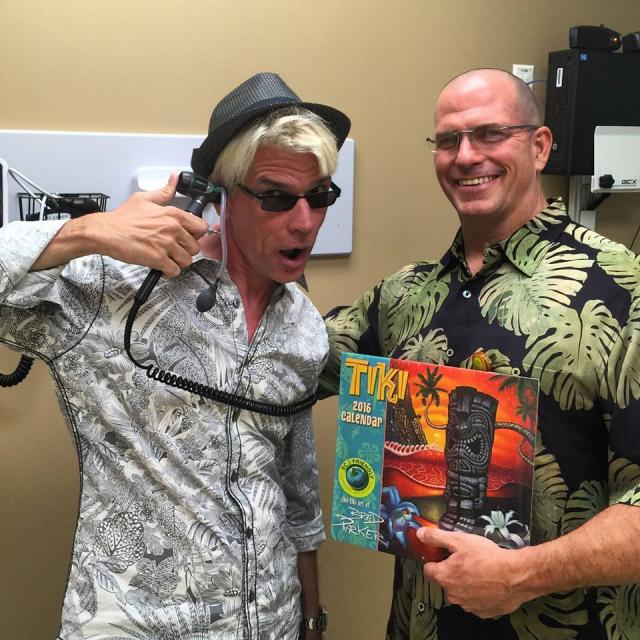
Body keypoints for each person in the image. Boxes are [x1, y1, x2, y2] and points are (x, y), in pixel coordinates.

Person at [0, 72, 349, 639]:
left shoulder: (304, 325)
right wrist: (90, 231)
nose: (305, 221)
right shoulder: (114, 287)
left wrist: (312, 616)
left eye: (321, 196)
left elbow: (297, 492)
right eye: (277, 197)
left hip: (273, 622)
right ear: (219, 197)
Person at [320, 68, 640, 639]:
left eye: (491, 134)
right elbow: (280, 364)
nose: (466, 155)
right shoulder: (403, 297)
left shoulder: (620, 288)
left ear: (539, 146)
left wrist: (522, 574)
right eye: (448, 139)